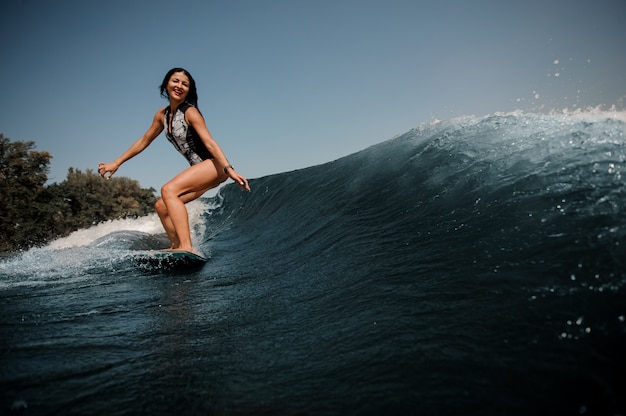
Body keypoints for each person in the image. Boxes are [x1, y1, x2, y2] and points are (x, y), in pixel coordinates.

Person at [98, 67, 250, 255]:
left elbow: (210, 142)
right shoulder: (162, 115)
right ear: (166, 84)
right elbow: (144, 141)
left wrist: (229, 169)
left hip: (214, 165)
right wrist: (117, 162)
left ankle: (187, 246)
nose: (179, 86)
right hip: (202, 169)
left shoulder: (190, 112)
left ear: (189, 90)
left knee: (168, 190)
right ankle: (176, 246)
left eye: (185, 84)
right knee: (162, 206)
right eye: (175, 81)